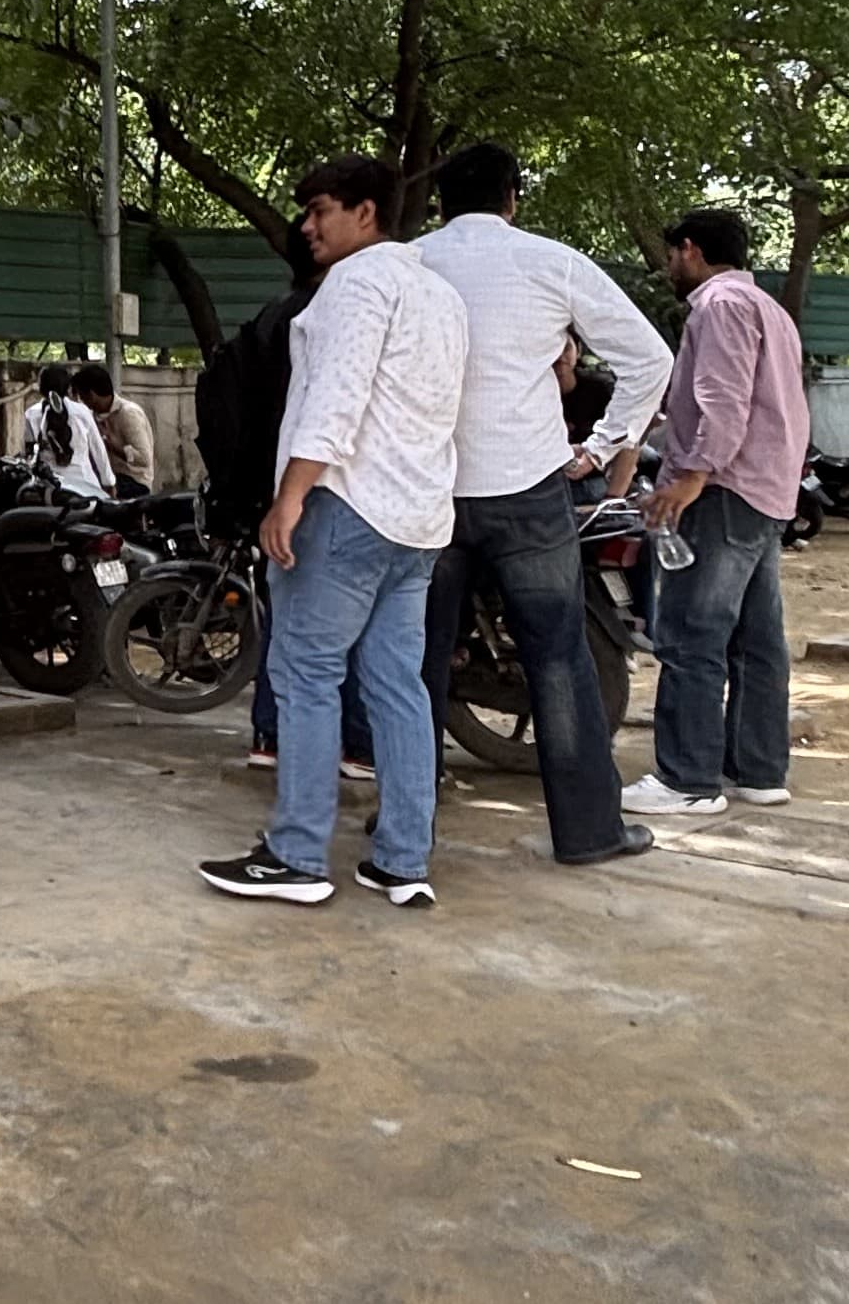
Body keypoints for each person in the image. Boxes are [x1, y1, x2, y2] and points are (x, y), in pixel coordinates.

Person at [200, 155, 467, 910]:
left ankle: (296, 854)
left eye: (320, 210)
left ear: (367, 213)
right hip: (418, 520)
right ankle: (402, 858)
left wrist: (289, 499)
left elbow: (336, 397)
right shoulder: (440, 294)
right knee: (398, 686)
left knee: (306, 676)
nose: (307, 227)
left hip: (346, 507)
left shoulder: (357, 283)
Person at [413, 142, 672, 868]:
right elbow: (653, 358)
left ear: (439, 201)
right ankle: (590, 830)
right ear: (512, 197)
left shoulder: (409, 264)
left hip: (430, 491)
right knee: (558, 657)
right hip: (529, 490)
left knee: (418, 659)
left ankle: (406, 831)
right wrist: (598, 446)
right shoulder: (552, 262)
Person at [621, 208, 808, 819]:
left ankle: (687, 778)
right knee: (756, 639)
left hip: (722, 490)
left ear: (691, 251)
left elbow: (721, 402)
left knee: (690, 634)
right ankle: (757, 769)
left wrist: (691, 476)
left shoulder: (718, 306)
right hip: (765, 491)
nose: (670, 265)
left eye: (672, 254)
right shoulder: (769, 310)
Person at [199, 229, 374, 779]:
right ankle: (351, 747)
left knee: (287, 617)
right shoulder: (335, 316)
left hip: (267, 489)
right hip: (321, 489)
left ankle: (271, 735)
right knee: (345, 633)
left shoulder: (268, 321)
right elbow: (328, 413)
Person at [22, 361, 116, 500]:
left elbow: (29, 456)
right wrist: (109, 483)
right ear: (68, 387)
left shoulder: (31, 414)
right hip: (87, 490)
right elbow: (99, 452)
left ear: (41, 389)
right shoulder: (82, 412)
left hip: (51, 493)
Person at [71, 362, 155, 497]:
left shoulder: (128, 414)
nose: (83, 402)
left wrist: (114, 446)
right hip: (109, 477)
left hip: (133, 480)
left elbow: (144, 459)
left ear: (91, 395)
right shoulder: (94, 416)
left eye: (83, 397)